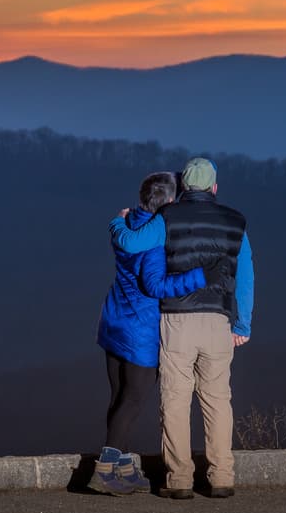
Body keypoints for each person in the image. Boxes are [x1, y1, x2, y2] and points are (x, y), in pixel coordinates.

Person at [109, 157, 253, 500]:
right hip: (219, 320)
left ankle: (180, 480)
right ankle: (221, 477)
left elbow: (130, 244)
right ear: (215, 188)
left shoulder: (167, 217)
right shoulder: (236, 222)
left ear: (184, 188)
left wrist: (119, 221)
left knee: (175, 400)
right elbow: (245, 275)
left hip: (177, 320)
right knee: (218, 400)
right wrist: (242, 322)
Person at [89, 171, 225, 495]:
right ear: (168, 201)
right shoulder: (155, 237)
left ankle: (122, 468)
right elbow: (155, 286)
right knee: (133, 401)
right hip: (140, 331)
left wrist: (117, 220)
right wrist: (199, 277)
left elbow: (120, 234)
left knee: (119, 398)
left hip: (113, 321)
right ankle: (105, 471)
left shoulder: (129, 222)